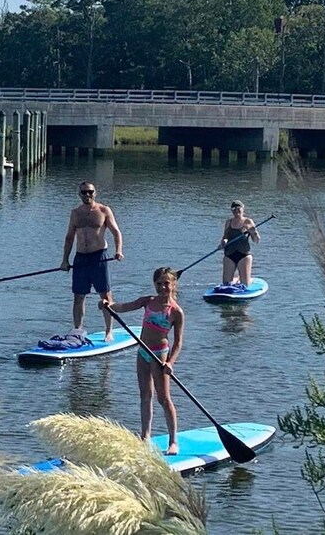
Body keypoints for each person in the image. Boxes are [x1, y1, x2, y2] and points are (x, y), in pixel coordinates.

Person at [99, 267, 184, 453]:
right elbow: (124, 307)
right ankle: (145, 436)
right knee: (145, 396)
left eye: (166, 283)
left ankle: (173, 441)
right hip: (143, 352)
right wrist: (108, 305)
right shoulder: (147, 301)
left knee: (163, 398)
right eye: (158, 283)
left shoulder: (176, 312)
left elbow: (178, 343)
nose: (162, 287)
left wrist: (171, 362)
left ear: (173, 284)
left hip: (159, 354)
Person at [61, 181, 123, 342]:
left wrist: (118, 251)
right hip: (80, 258)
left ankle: (109, 331)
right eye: (84, 192)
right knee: (78, 296)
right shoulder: (75, 213)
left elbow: (116, 232)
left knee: (105, 295)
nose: (87, 195)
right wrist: (64, 261)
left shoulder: (103, 210)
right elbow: (69, 238)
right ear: (79, 194)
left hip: (99, 257)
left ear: (95, 193)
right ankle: (78, 330)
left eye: (90, 192)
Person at [220, 200, 260, 287]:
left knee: (245, 284)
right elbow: (225, 237)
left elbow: (256, 240)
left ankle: (246, 278)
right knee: (226, 284)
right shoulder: (228, 222)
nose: (236, 210)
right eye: (233, 208)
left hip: (243, 254)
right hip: (229, 254)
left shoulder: (248, 222)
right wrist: (223, 242)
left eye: (238, 208)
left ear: (243, 209)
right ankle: (236, 279)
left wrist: (254, 233)